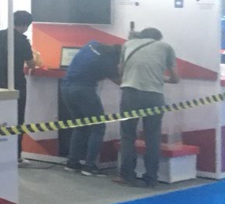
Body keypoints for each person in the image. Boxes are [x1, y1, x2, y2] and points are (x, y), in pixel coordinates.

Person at [115, 27, 178, 188]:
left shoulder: (128, 44)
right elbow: (175, 78)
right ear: (158, 38)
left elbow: (121, 71)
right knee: (153, 137)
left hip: (130, 93)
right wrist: (161, 78)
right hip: (154, 96)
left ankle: (127, 176)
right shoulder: (166, 47)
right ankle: (151, 178)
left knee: (128, 136)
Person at [61, 41, 121, 176]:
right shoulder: (109, 61)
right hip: (84, 90)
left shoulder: (91, 44)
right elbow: (120, 82)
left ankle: (72, 162)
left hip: (65, 88)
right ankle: (89, 166)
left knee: (80, 126)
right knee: (98, 127)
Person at [0, 10, 41, 162]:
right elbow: (31, 63)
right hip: (16, 83)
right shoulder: (22, 41)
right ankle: (16, 156)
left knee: (0, 119)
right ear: (25, 25)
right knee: (17, 120)